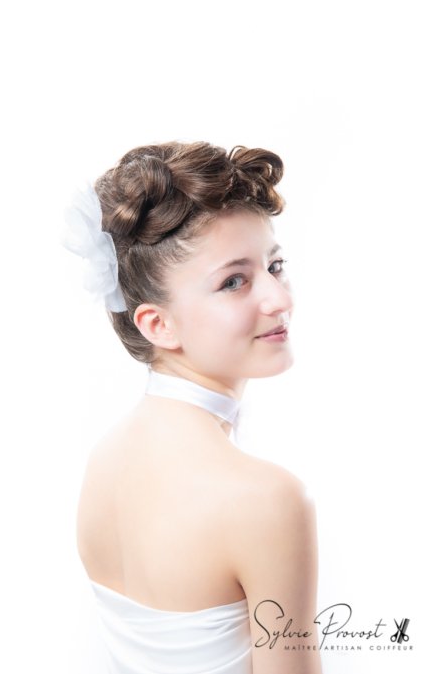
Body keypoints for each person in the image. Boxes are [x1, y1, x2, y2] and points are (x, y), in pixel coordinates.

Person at [63, 141, 323, 674]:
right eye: (234, 281)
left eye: (275, 265)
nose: (279, 299)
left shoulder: (105, 459)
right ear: (158, 324)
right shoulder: (267, 499)